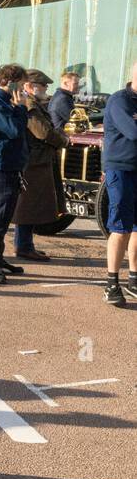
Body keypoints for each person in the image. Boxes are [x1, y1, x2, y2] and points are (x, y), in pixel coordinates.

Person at [10, 70, 69, 263]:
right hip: (33, 161)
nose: (46, 89)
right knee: (28, 206)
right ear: (29, 86)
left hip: (36, 159)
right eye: (43, 85)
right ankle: (24, 246)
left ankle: (25, 245)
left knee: (30, 206)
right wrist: (63, 140)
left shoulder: (32, 104)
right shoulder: (29, 105)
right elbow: (43, 132)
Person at [0, 64, 29, 285]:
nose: (24, 88)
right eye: (21, 83)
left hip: (9, 165)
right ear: (9, 83)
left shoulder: (3, 103)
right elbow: (14, 130)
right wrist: (20, 108)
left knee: (5, 214)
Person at [100, 61, 137, 306]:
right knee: (121, 227)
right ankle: (111, 283)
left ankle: (134, 279)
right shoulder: (120, 100)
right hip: (121, 169)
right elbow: (133, 132)